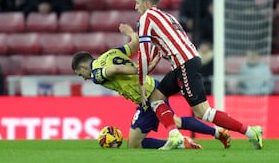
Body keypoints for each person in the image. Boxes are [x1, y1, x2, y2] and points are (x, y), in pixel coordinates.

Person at [132, 0, 263, 150]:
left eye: (137, 2)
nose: (135, 7)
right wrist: (147, 67)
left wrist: (141, 80)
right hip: (186, 61)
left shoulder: (145, 18)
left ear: (146, 3)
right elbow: (156, 52)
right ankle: (174, 136)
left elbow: (144, 53)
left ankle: (251, 132)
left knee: (203, 112)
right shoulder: (167, 17)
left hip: (183, 63)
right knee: (156, 99)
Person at [72, 24, 231, 150]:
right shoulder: (109, 54)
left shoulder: (95, 74)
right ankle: (217, 132)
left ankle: (181, 143)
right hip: (151, 86)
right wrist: (130, 33)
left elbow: (116, 69)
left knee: (134, 145)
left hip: (146, 95)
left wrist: (138, 69)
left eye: (80, 74)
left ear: (84, 67)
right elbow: (134, 45)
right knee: (175, 121)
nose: (84, 78)